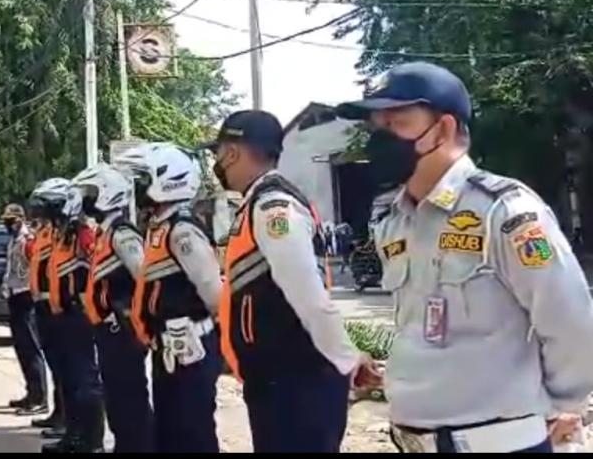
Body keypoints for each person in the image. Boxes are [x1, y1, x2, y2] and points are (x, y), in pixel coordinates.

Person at [337, 61, 593, 453]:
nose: (380, 138)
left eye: (396, 122)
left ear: (444, 129)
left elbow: (572, 321)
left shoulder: (504, 212)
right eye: (377, 125)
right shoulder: (393, 219)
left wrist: (556, 409)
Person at [206, 110, 371, 452]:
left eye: (218, 153)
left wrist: (347, 357)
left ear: (232, 152)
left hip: (296, 384)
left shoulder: (273, 207)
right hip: (278, 380)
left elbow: (307, 292)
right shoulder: (257, 203)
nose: (217, 163)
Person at [114, 142, 223, 453]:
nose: (138, 188)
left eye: (143, 179)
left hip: (193, 346)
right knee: (169, 432)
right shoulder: (158, 227)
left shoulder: (182, 231)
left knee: (194, 432)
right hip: (169, 348)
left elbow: (213, 292)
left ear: (167, 179)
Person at [73, 164, 154, 453]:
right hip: (108, 330)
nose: (86, 200)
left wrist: (132, 315)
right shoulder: (104, 234)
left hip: (123, 331)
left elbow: (144, 277)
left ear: (107, 194)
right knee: (117, 399)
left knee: (129, 398)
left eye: (91, 193)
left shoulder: (122, 235)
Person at [43, 184, 104, 453]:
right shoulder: (63, 235)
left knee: (84, 380)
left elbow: (96, 266)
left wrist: (85, 298)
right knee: (69, 379)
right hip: (62, 314)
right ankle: (73, 433)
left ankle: (90, 441)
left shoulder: (83, 234)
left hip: (79, 316)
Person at [26, 179, 69, 438]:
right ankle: (58, 412)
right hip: (43, 303)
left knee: (68, 368)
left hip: (60, 307)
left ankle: (67, 418)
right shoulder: (47, 232)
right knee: (56, 364)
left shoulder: (68, 233)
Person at [0, 203, 48, 416]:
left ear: (21, 219)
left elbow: (37, 267)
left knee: (31, 349)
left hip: (26, 296)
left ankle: (39, 398)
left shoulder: (29, 240)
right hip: (14, 296)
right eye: (6, 220)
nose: (8, 224)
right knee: (22, 349)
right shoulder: (14, 240)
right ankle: (31, 393)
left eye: (11, 220)